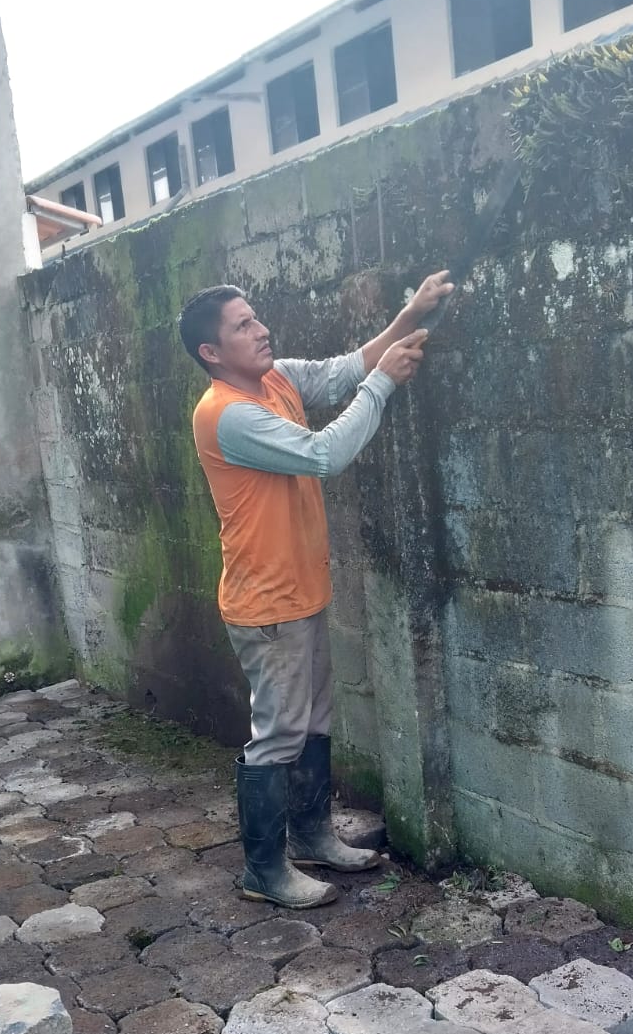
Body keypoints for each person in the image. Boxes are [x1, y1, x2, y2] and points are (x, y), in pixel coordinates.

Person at [181, 270, 453, 909]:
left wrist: (409, 315)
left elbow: (344, 370)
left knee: (312, 722)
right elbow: (324, 454)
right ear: (212, 352)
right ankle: (264, 871)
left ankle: (311, 836)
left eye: (256, 317)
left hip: (301, 589)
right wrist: (384, 384)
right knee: (278, 734)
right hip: (266, 604)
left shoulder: (274, 379)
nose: (261, 329)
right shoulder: (227, 414)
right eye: (243, 326)